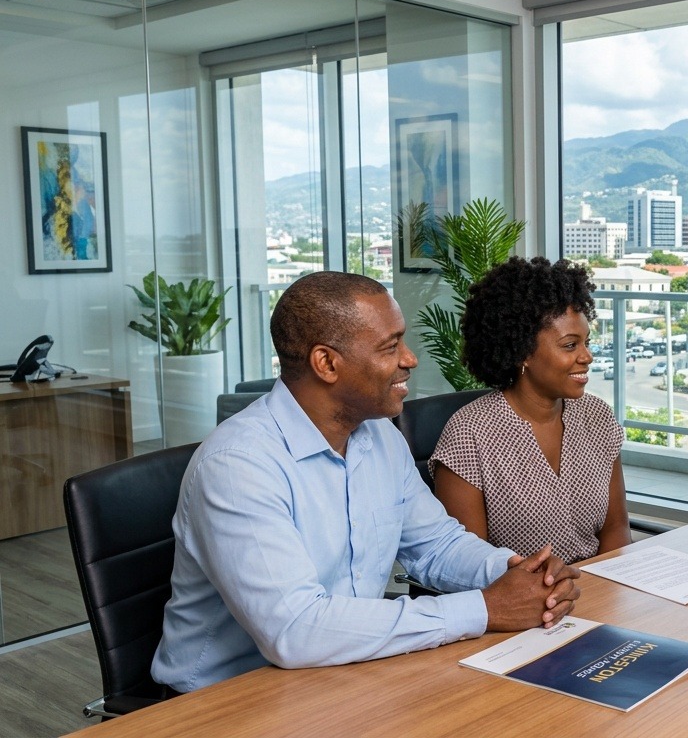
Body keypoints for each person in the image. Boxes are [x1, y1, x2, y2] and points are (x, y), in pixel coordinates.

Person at [152, 272, 579, 694]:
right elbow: (295, 629)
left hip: (343, 673)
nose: (409, 359)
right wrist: (485, 609)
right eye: (390, 346)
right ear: (327, 364)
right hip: (229, 700)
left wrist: (516, 574)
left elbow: (437, 544)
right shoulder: (238, 466)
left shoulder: (379, 436)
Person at [431, 257, 631, 564]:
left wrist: (604, 592)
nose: (587, 357)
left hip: (598, 592)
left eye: (586, 342)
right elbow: (467, 563)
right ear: (522, 351)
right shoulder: (469, 434)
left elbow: (616, 528)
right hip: (519, 601)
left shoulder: (597, 416)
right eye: (570, 345)